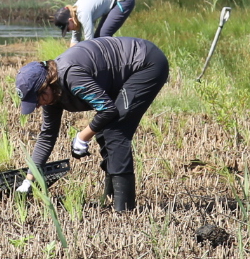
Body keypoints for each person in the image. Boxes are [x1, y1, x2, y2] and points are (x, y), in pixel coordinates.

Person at [14, 36, 169, 212]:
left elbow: (107, 110)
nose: (39, 104)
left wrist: (83, 136)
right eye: (35, 103)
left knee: (115, 131)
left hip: (146, 63)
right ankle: (111, 197)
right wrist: (29, 180)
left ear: (47, 84)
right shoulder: (51, 96)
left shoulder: (71, 76)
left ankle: (124, 208)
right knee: (105, 131)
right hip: (119, 74)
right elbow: (47, 136)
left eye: (39, 98)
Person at [53, 0, 136, 43]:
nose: (68, 31)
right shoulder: (74, 16)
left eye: (67, 28)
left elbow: (89, 42)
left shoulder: (82, 13)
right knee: (99, 39)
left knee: (103, 36)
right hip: (113, 3)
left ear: (70, 20)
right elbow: (75, 40)